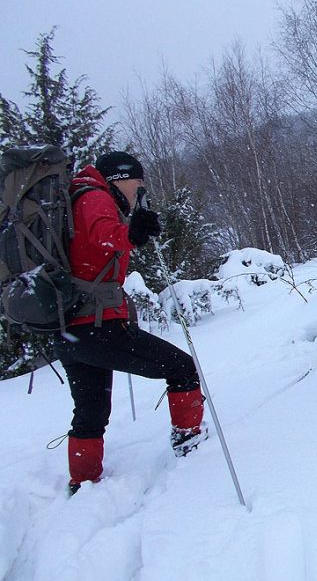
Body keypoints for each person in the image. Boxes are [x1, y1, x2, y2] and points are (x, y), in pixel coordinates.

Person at [53, 151, 206, 495]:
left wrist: (127, 231)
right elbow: (102, 234)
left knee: (90, 411)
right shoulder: (94, 196)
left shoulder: (76, 195)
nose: (139, 193)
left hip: (68, 329)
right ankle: (190, 443)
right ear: (120, 180)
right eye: (138, 185)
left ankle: (83, 482)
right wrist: (131, 233)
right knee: (182, 367)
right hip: (98, 327)